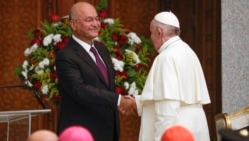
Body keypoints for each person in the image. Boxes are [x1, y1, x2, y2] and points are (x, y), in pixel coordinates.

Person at [55, 2, 136, 141]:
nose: (95, 24)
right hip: (82, 133)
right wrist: (118, 100)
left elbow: (105, 86)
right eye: (89, 20)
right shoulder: (66, 55)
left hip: (108, 131)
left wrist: (121, 101)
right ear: (73, 24)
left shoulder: (101, 49)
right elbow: (79, 90)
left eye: (97, 19)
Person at [132, 11, 211, 141]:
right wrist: (138, 103)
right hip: (193, 128)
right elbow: (172, 96)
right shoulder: (187, 50)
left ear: (159, 32)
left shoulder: (166, 57)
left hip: (176, 133)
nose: (151, 37)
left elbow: (167, 111)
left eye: (151, 32)